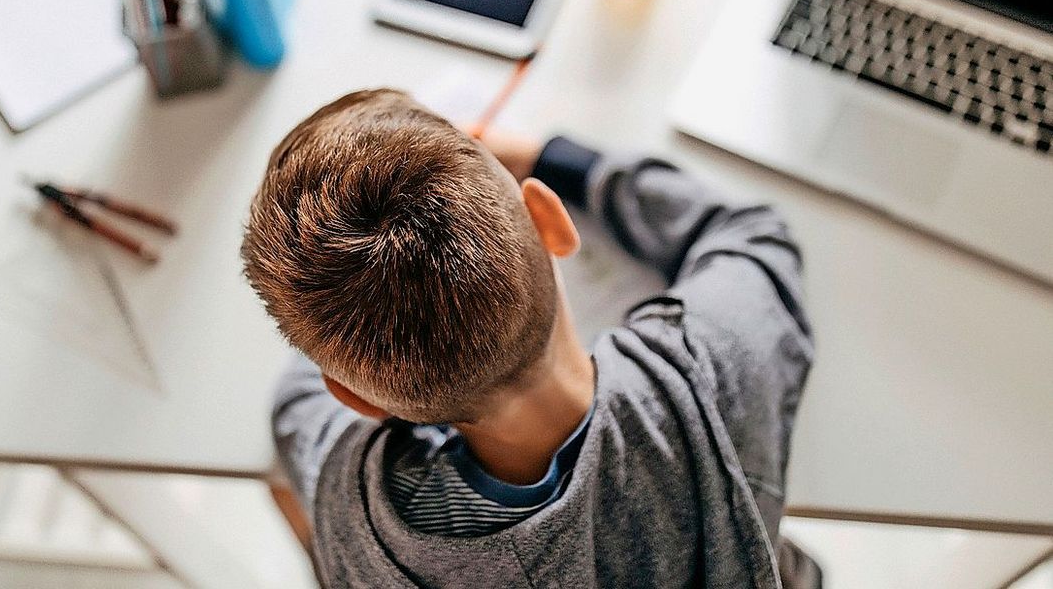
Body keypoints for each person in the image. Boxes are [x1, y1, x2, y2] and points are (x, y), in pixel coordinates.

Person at [242, 88, 816, 588]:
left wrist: (351, 310)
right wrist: (555, 158)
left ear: (358, 400)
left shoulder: (352, 506)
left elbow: (297, 403)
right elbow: (751, 233)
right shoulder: (711, 376)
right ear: (551, 221)